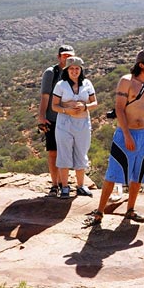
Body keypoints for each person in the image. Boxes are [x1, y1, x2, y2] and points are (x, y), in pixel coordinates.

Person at [86, 48, 144, 226]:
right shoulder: (126, 81)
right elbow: (120, 108)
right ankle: (99, 212)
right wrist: (127, 135)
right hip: (125, 133)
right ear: (141, 64)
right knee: (113, 173)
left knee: (137, 174)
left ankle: (130, 209)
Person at [51, 56, 97, 198]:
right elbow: (54, 106)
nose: (74, 71)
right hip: (65, 122)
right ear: (67, 70)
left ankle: (81, 186)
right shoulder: (61, 85)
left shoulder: (87, 84)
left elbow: (94, 103)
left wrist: (85, 107)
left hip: (82, 122)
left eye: (77, 68)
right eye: (71, 68)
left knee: (81, 152)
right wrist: (67, 110)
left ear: (81, 70)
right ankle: (64, 187)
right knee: (64, 153)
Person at [39, 45, 75, 196]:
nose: (67, 58)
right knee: (53, 152)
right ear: (59, 57)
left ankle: (64, 182)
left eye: (70, 56)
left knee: (66, 152)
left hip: (70, 118)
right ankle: (55, 185)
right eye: (64, 56)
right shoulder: (51, 73)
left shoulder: (75, 72)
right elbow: (45, 96)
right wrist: (41, 116)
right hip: (53, 118)